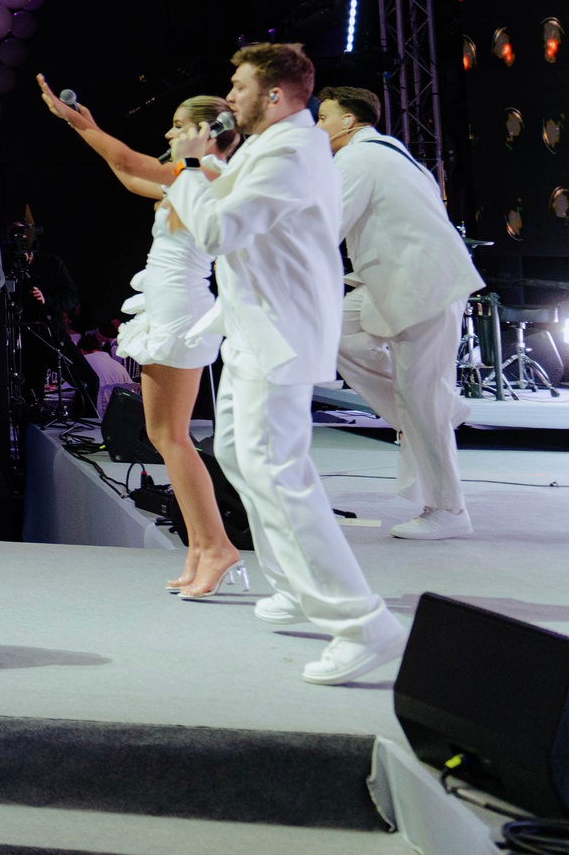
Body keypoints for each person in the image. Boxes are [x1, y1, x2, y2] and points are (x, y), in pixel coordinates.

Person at [166, 42, 405, 685]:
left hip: (279, 333)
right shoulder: (277, 148)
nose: (231, 94)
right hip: (258, 327)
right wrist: (209, 170)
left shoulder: (292, 151)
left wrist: (191, 168)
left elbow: (218, 232)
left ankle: (361, 622)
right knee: (243, 456)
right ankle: (297, 586)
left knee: (278, 470)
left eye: (239, 84)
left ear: (273, 94)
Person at [37, 78, 243, 594]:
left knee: (171, 437)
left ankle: (216, 545)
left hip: (179, 307)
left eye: (178, 125)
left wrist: (75, 123)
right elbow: (130, 177)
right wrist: (83, 124)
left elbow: (131, 163)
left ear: (205, 131)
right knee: (164, 435)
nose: (169, 133)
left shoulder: (206, 171)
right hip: (172, 303)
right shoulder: (191, 176)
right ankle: (202, 545)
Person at [317, 85, 480, 541]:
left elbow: (324, 228)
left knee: (421, 397)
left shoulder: (358, 159)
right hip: (396, 283)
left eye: (323, 116)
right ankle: (440, 409)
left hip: (422, 288)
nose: (317, 125)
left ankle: (449, 509)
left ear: (349, 120)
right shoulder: (392, 153)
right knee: (335, 335)